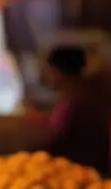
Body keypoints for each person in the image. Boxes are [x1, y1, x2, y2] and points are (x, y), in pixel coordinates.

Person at [46, 46, 109, 175]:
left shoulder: (74, 101)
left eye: (50, 71)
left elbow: (57, 137)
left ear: (56, 71)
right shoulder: (88, 93)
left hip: (80, 173)